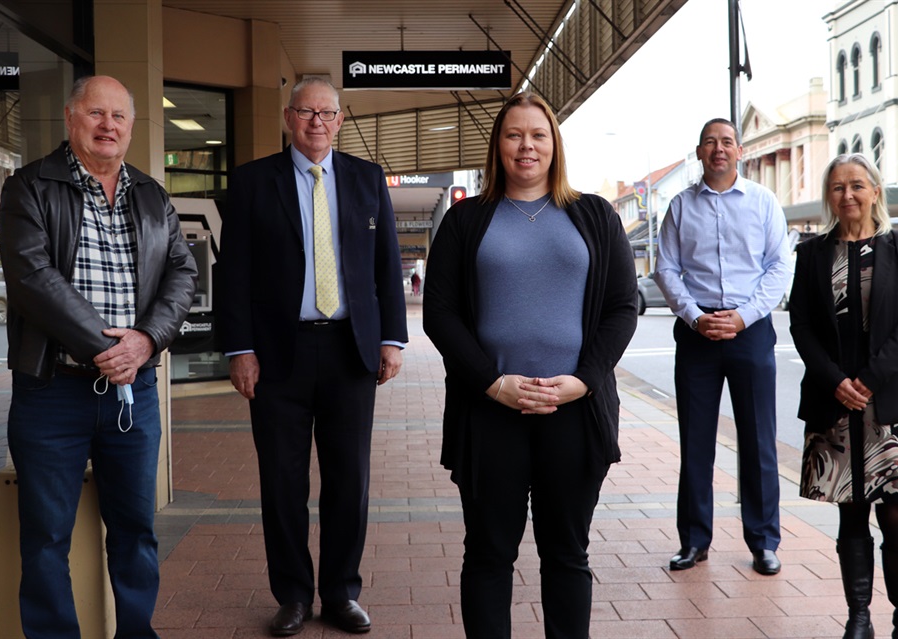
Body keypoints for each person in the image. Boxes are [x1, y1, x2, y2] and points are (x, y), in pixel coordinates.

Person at [423, 92, 638, 638]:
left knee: (566, 554)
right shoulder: (466, 219)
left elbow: (621, 308)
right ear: (498, 145)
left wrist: (583, 381)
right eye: (514, 134)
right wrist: (493, 384)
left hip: (573, 411)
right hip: (490, 410)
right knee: (489, 554)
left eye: (538, 135)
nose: (526, 145)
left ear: (554, 144)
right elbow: (440, 315)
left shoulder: (593, 215)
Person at [0, 75, 197, 638]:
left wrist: (147, 340)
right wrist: (110, 348)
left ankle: (137, 633)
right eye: (96, 113)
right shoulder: (29, 186)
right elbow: (32, 279)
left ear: (132, 127)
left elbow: (183, 274)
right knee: (45, 536)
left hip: (132, 395)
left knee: (136, 529)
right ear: (70, 117)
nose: (108, 125)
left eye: (120, 116)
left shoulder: (153, 195)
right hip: (51, 393)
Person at [215, 77, 407, 637]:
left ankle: (342, 593)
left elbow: (385, 265)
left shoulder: (368, 179)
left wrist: (391, 338)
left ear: (341, 120)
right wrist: (240, 349)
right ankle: (294, 595)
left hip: (351, 351)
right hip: (278, 354)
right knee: (282, 482)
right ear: (287, 117)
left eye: (327, 113)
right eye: (305, 112)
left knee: (350, 481)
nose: (316, 122)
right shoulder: (253, 182)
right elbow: (234, 274)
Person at [789, 153, 898, 639]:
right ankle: (859, 618)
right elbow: (801, 327)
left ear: (875, 190)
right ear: (829, 196)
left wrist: (868, 380)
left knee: (894, 514)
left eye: (856, 185)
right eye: (837, 188)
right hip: (835, 403)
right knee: (851, 514)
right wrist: (836, 382)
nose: (847, 195)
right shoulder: (811, 255)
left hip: (887, 404)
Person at [654, 117, 791, 576]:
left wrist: (742, 317)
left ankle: (764, 541)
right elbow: (666, 269)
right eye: (711, 142)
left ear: (739, 151)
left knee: (758, 441)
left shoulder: (763, 202)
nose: (719, 149)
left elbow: (778, 268)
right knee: (695, 441)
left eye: (727, 142)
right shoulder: (679, 206)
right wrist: (695, 316)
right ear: (699, 153)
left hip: (749, 331)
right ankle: (694, 541)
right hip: (697, 335)